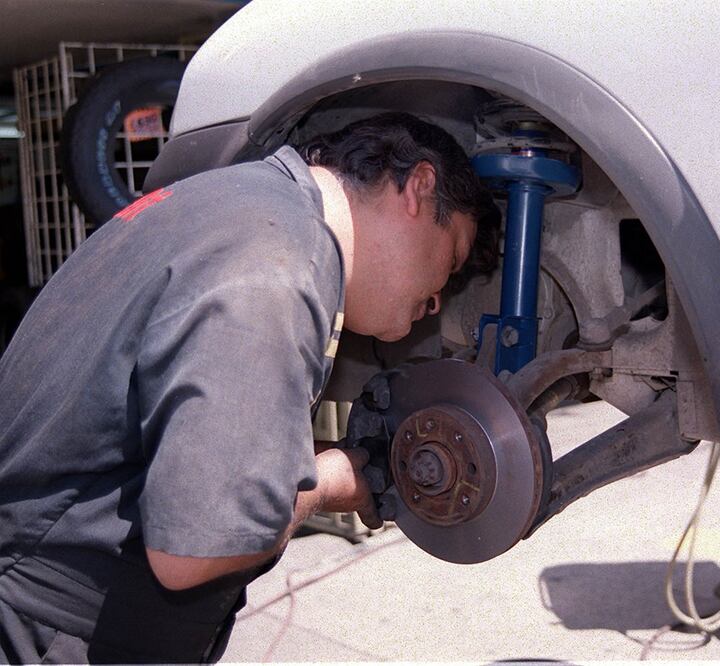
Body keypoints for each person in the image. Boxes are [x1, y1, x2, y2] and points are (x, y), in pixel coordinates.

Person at [0, 112, 500, 663]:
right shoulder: (275, 268)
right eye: (450, 262)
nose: (436, 300)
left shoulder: (235, 204)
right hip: (45, 639)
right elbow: (197, 550)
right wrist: (334, 478)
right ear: (418, 189)